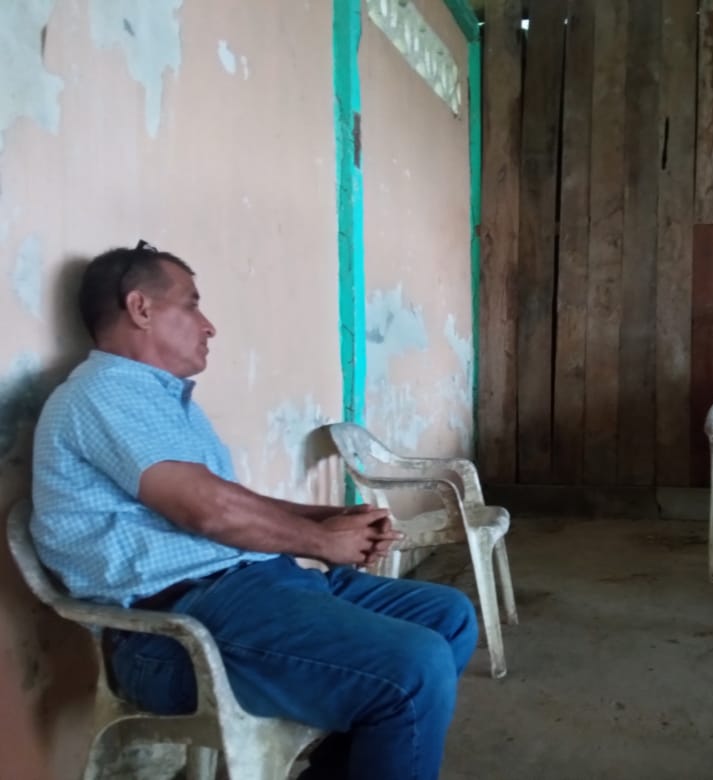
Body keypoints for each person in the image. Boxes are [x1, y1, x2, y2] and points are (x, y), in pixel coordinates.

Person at [30, 241, 478, 780]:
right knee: (416, 666)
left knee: (447, 617)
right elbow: (207, 510)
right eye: (192, 304)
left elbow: (225, 500)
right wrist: (321, 543)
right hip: (177, 629)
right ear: (140, 308)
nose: (209, 326)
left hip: (254, 589)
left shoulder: (160, 400)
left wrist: (322, 519)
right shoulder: (103, 393)